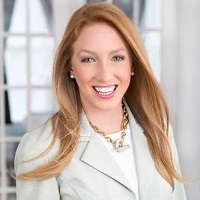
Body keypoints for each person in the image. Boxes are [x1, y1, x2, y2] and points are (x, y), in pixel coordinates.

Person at [14, 2, 186, 200]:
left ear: (132, 63)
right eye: (88, 59)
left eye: (117, 57)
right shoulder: (40, 148)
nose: (105, 75)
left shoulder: (159, 129)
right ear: (71, 67)